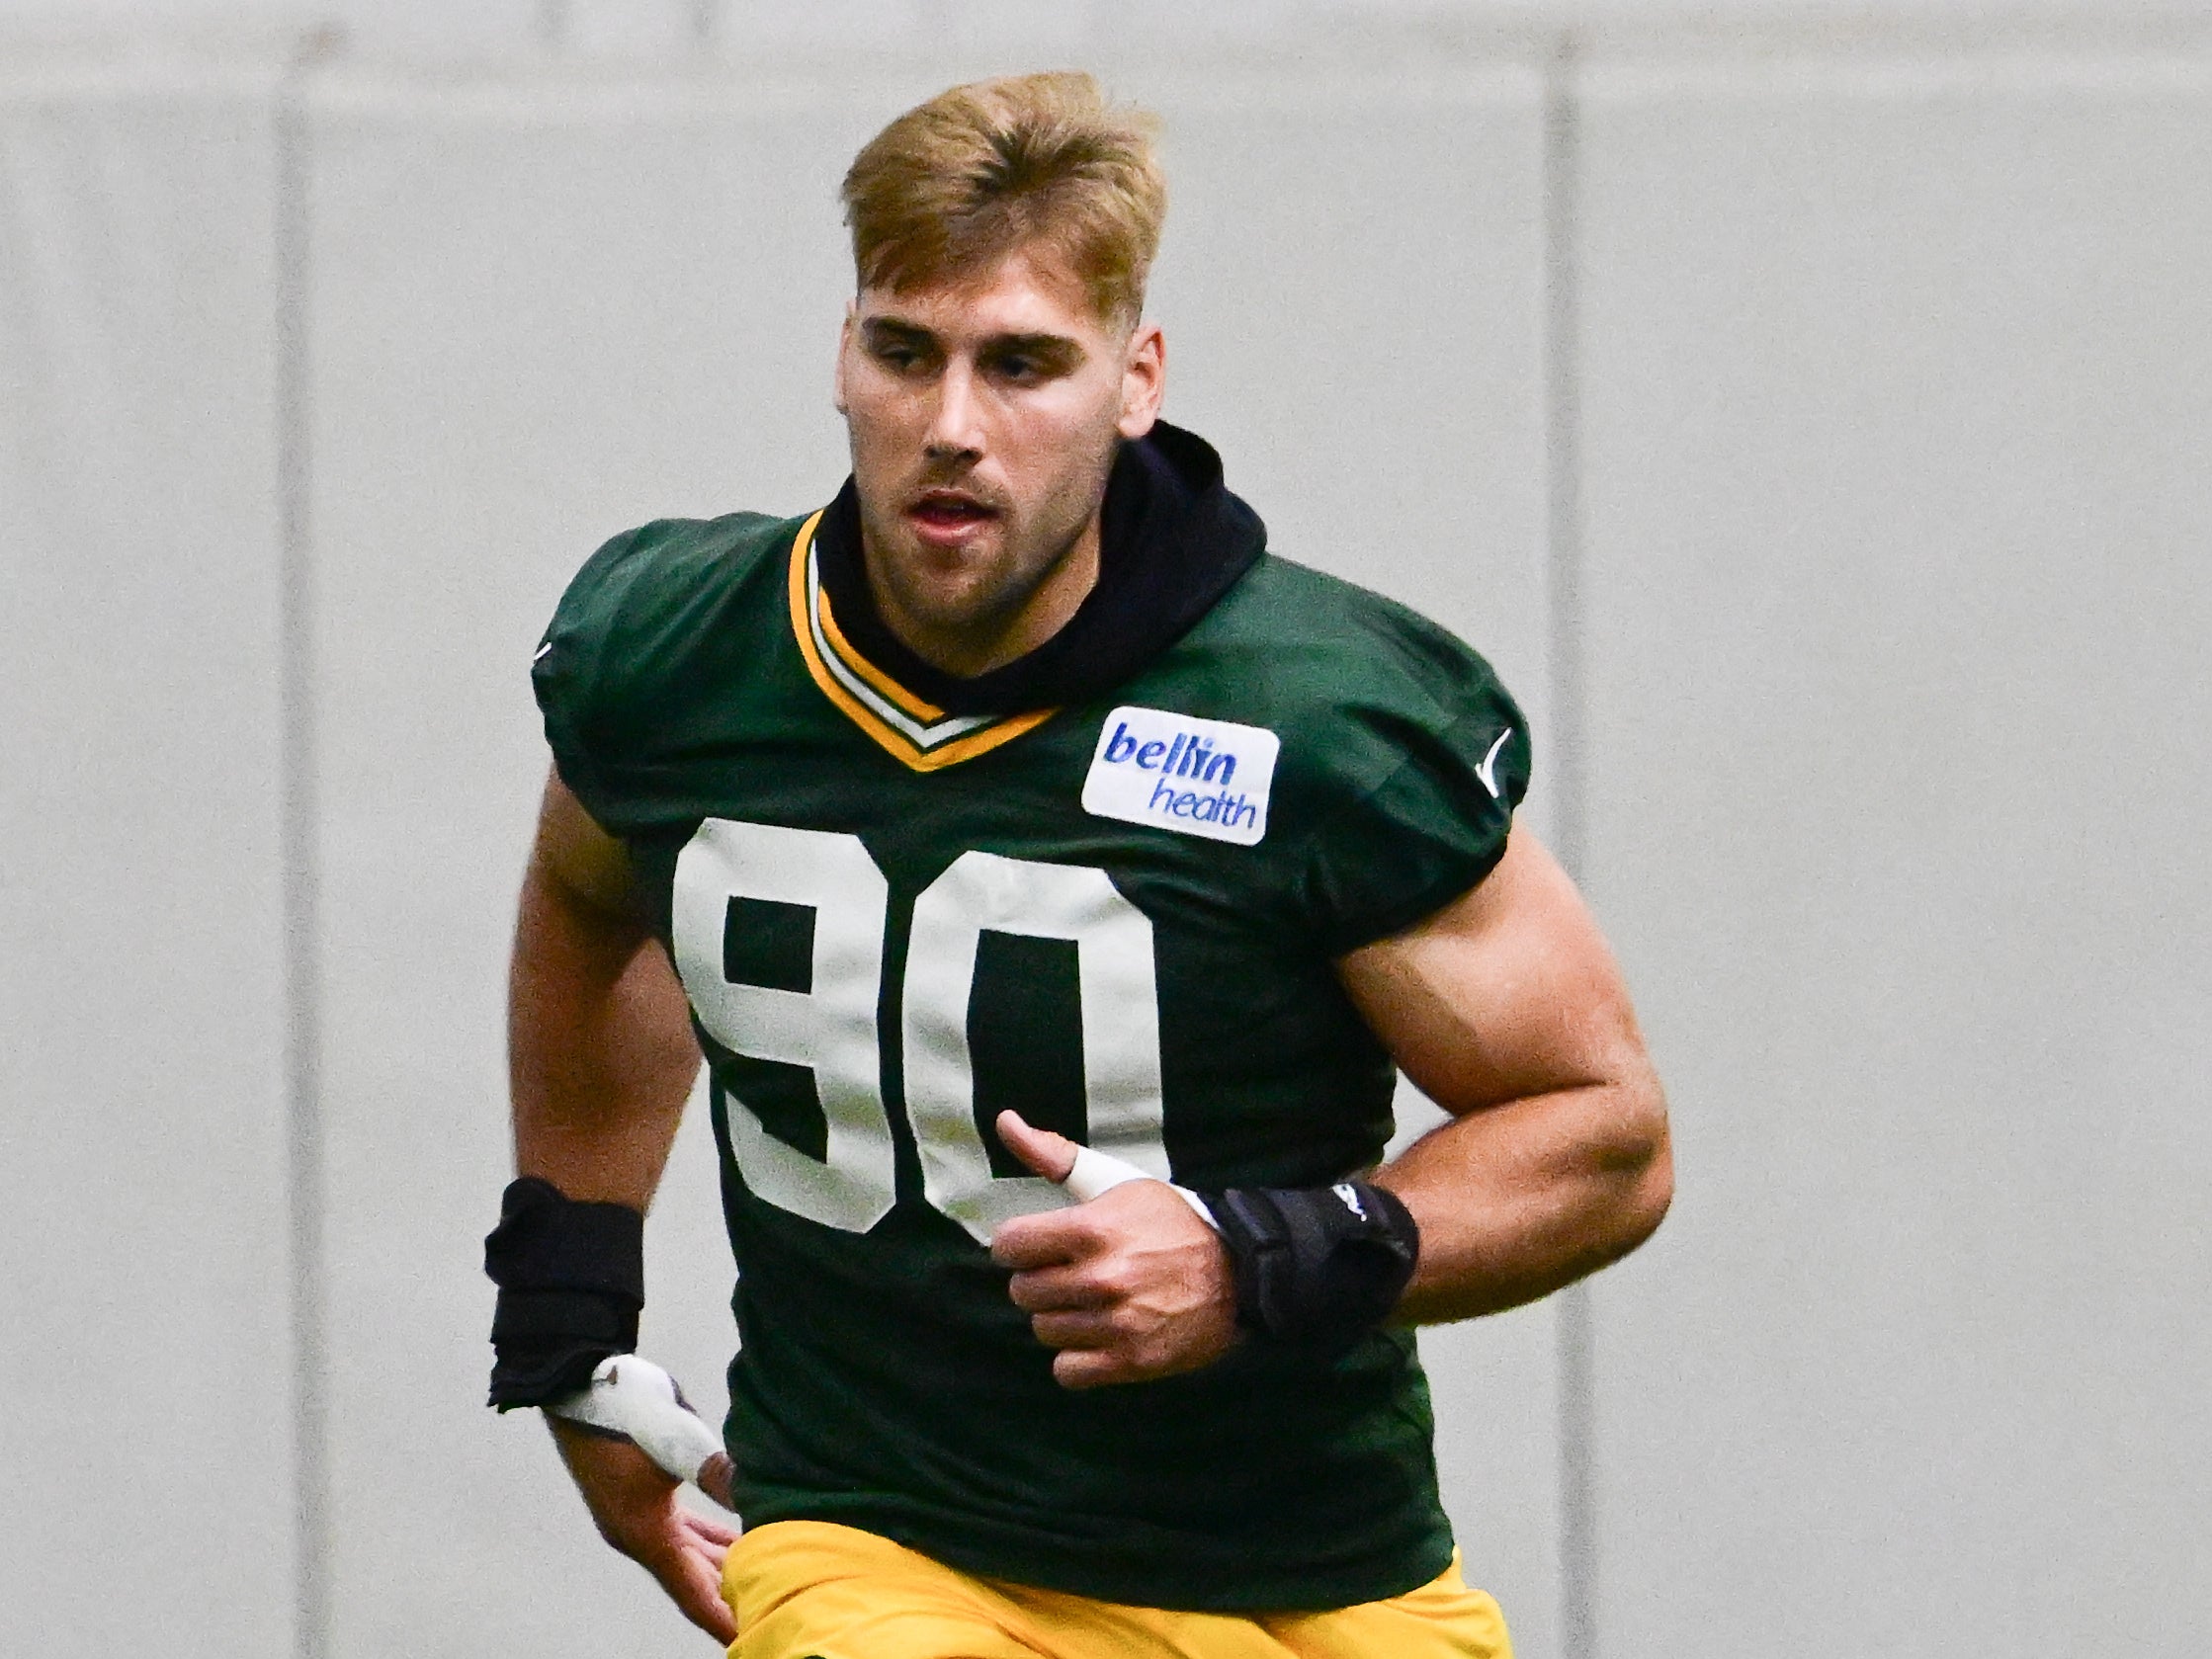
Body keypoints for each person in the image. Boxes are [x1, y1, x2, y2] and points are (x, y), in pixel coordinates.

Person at [486, 70, 1671, 1659]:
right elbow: (594, 911)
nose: (950, 426)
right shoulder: (676, 657)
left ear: (1135, 380)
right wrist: (568, 1314)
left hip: (1305, 1576)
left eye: (1022, 364)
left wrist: (1257, 1261)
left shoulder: (1313, 722)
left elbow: (1601, 1138)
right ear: (841, 355)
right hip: (879, 1545)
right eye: (903, 351)